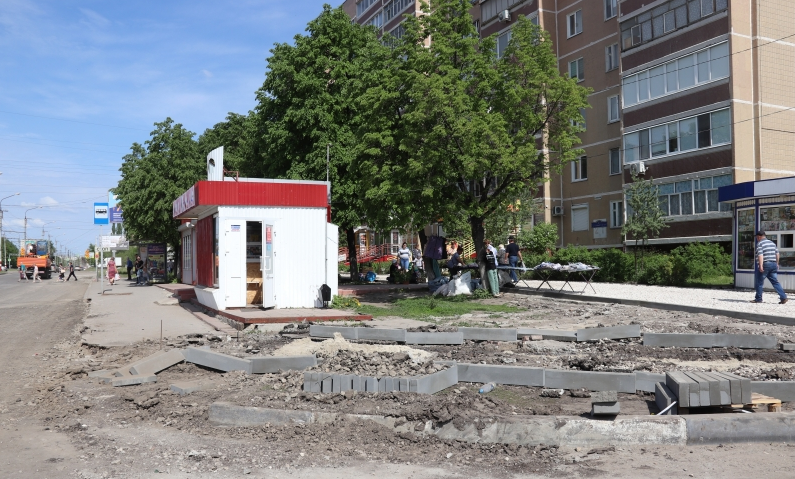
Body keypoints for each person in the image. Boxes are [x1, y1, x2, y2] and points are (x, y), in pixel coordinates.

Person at [751, 231, 788, 304]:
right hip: (773, 264)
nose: (757, 239)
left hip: (766, 264)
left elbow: (760, 255)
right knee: (775, 282)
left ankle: (758, 299)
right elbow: (777, 253)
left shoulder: (760, 244)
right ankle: (783, 297)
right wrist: (777, 263)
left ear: (759, 237)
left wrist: (761, 265)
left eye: (757, 237)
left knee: (759, 282)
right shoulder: (772, 243)